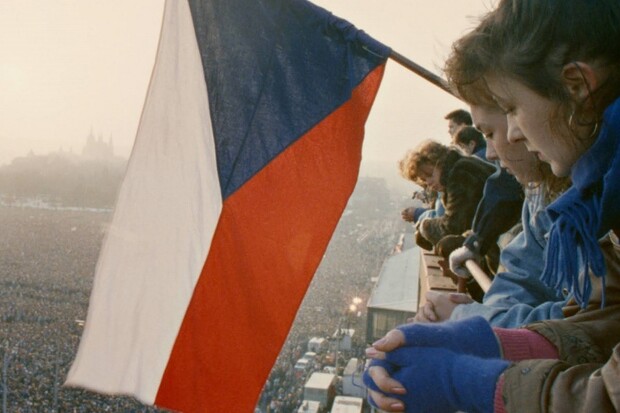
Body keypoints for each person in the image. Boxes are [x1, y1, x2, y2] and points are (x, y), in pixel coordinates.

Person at [364, 0, 620, 412]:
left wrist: (471, 382)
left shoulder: (590, 200)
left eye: (511, 109)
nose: (511, 136)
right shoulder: (598, 197)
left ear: (577, 86)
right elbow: (608, 321)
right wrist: (487, 340)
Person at [398, 140, 494, 250]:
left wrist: (424, 226)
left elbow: (451, 228)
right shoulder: (460, 167)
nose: (428, 183)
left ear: (440, 162)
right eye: (424, 180)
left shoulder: (461, 173)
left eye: (429, 175)